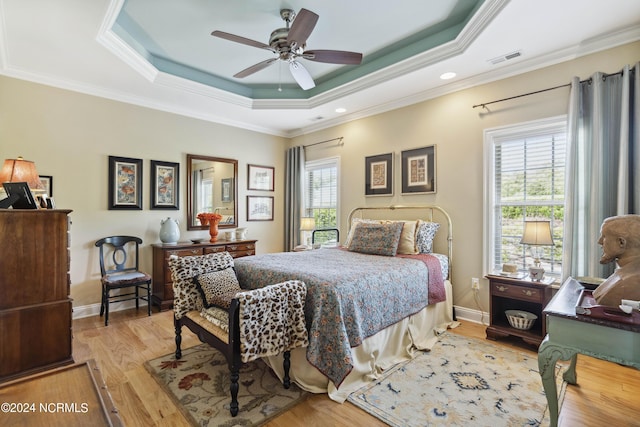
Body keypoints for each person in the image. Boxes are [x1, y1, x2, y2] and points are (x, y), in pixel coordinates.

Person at [592, 215, 640, 306]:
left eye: (604, 237)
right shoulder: (624, 273)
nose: (600, 241)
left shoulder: (631, 283)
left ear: (621, 242)